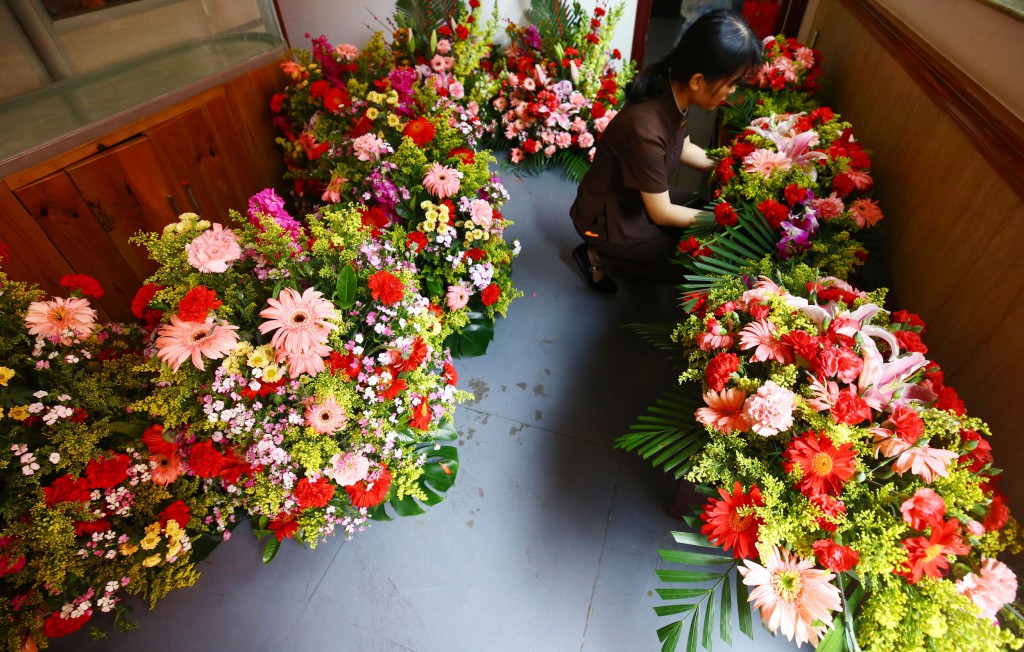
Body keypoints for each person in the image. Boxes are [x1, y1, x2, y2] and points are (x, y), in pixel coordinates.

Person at [569, 9, 762, 292]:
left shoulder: (674, 88)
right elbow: (662, 213)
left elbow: (684, 147)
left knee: (705, 208)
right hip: (611, 219)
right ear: (698, 80)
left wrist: (731, 164)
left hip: (640, 198)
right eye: (730, 83)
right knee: (701, 263)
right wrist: (727, 221)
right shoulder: (645, 127)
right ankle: (597, 254)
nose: (731, 91)